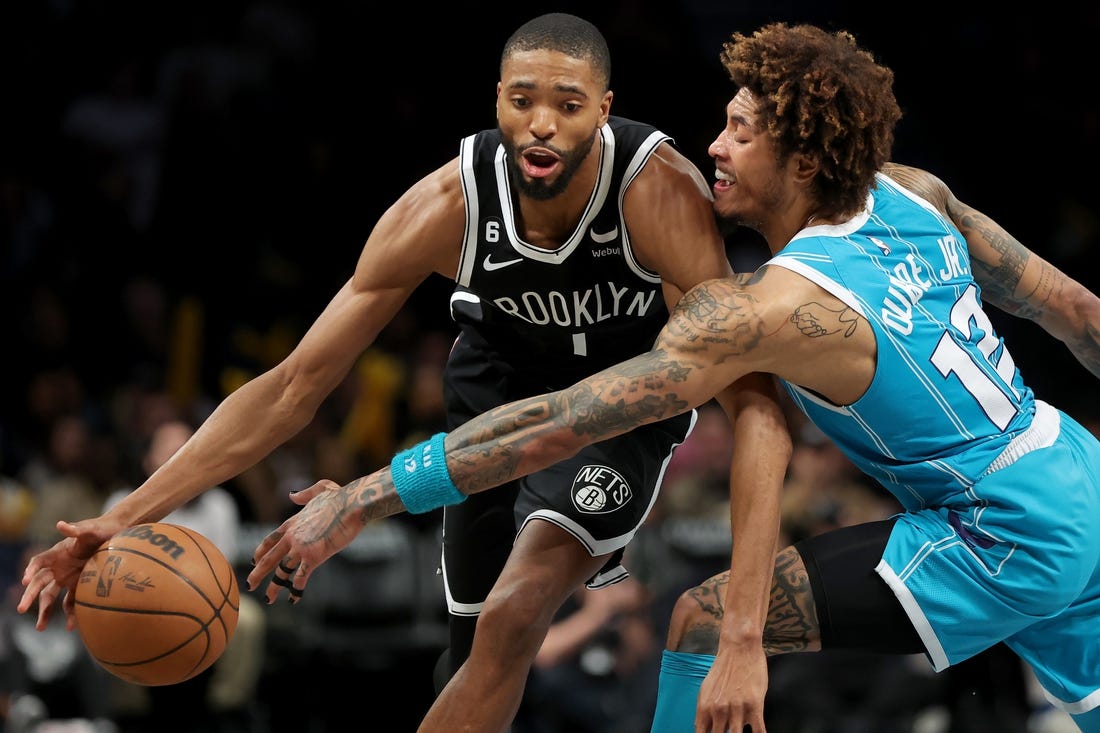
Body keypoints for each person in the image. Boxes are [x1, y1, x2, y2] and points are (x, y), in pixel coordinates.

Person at [219, 21, 1100, 733]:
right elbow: (1081, 315)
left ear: (800, 162)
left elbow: (557, 423)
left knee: (706, 622)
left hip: (996, 526)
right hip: (1076, 468)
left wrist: (367, 495)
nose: (713, 146)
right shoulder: (916, 193)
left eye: (741, 133)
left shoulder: (764, 310)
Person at [17, 12, 789, 733]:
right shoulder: (448, 204)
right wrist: (124, 515)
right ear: (497, 100)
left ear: (604, 108)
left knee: (515, 614)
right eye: (522, 100)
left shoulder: (658, 192)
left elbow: (752, 399)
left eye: (568, 103)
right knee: (468, 659)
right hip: (493, 408)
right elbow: (292, 387)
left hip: (621, 412)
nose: (542, 124)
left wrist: (745, 628)